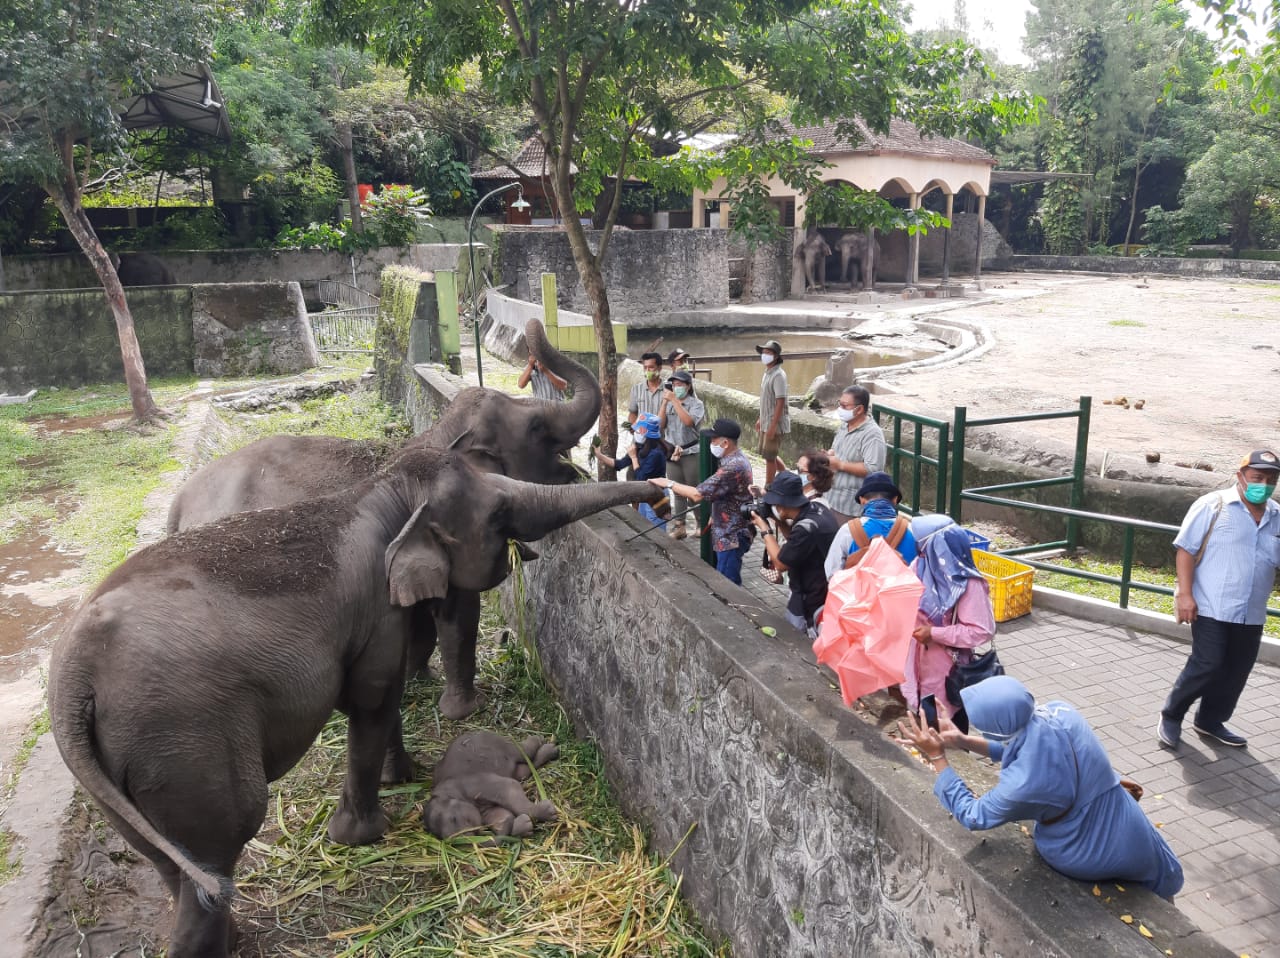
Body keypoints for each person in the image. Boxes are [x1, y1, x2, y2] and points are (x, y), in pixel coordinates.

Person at [897, 676, 1184, 901]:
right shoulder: (1061, 713)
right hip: (1126, 821)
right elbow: (1022, 744)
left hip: (1081, 846)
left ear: (994, 727)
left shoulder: (1021, 785)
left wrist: (937, 757)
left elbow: (974, 815)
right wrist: (962, 741)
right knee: (1158, 876)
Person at [1157, 449, 1280, 750]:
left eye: (1270, 479)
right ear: (1240, 476)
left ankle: (1211, 720)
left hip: (1251, 611)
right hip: (1211, 604)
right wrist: (1185, 595)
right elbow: (1185, 550)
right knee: (1207, 663)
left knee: (1237, 669)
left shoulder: (1277, 516)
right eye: (1257, 477)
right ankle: (1172, 715)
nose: (1263, 484)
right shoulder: (1213, 505)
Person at [908, 524, 996, 731]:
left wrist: (934, 633)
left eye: (923, 545)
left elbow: (981, 631)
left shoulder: (969, 585)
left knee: (949, 724)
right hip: (917, 666)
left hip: (948, 672)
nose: (919, 550)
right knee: (924, 723)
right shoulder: (920, 566)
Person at [650, 418, 754, 584]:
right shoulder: (734, 459)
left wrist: (668, 483)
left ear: (725, 443)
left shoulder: (734, 466)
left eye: (714, 439)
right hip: (726, 529)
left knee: (728, 586)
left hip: (731, 535)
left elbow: (697, 494)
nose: (710, 443)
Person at [749, 471, 838, 636]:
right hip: (823, 589)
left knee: (794, 641)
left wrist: (765, 529)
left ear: (782, 505)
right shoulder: (816, 509)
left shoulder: (806, 528)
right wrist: (778, 520)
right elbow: (796, 542)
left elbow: (781, 564)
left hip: (810, 598)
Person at [824, 471, 918, 579]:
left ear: (862, 500)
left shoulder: (848, 531)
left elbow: (832, 574)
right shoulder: (913, 531)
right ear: (895, 500)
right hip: (903, 594)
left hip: (857, 595)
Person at [824, 385, 886, 523]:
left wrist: (840, 464)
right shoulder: (845, 425)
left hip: (851, 506)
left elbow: (873, 469)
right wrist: (830, 455)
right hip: (832, 498)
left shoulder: (872, 434)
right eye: (839, 404)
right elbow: (837, 450)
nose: (840, 409)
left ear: (859, 409)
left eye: (845, 406)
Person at [594, 414, 667, 528]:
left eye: (638, 431)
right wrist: (600, 456)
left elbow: (641, 477)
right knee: (644, 528)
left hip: (657, 496)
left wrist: (633, 458)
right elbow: (619, 464)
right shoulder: (639, 447)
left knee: (657, 532)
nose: (635, 433)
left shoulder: (656, 453)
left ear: (646, 434)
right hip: (645, 494)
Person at [659, 369, 706, 540]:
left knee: (693, 491)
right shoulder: (669, 402)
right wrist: (665, 403)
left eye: (680, 384)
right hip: (672, 453)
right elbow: (660, 425)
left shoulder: (696, 404)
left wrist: (675, 401)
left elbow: (688, 422)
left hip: (691, 452)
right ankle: (680, 526)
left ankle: (701, 524)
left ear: (688, 386)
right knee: (677, 491)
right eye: (674, 384)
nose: (676, 387)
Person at [754, 340, 790, 485]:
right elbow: (766, 400)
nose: (765, 355)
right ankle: (786, 475)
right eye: (764, 352)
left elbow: (780, 401)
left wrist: (773, 426)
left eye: (768, 353)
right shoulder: (767, 373)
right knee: (769, 454)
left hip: (774, 422)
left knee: (769, 457)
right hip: (766, 420)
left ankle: (768, 486)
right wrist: (760, 418)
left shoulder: (778, 375)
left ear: (776, 356)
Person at [628, 352, 665, 425]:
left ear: (659, 368)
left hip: (661, 434)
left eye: (651, 367)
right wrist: (633, 425)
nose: (647, 371)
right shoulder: (636, 389)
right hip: (642, 434)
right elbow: (633, 413)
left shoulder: (668, 390)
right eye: (645, 367)